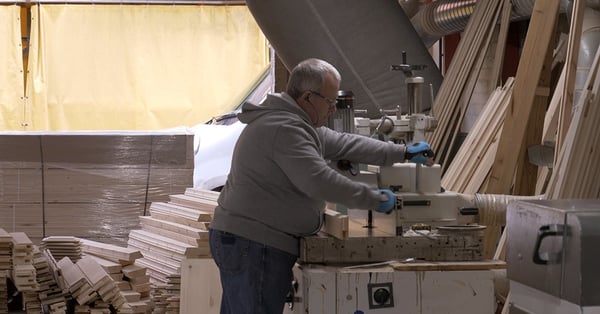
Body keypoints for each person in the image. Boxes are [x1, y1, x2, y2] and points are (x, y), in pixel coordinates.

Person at [208, 58, 434, 314]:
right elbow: (320, 181)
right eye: (329, 101)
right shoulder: (284, 128)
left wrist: (401, 152)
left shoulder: (297, 124)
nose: (333, 109)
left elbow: (346, 143)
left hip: (253, 243)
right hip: (255, 244)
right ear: (307, 97)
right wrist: (374, 199)